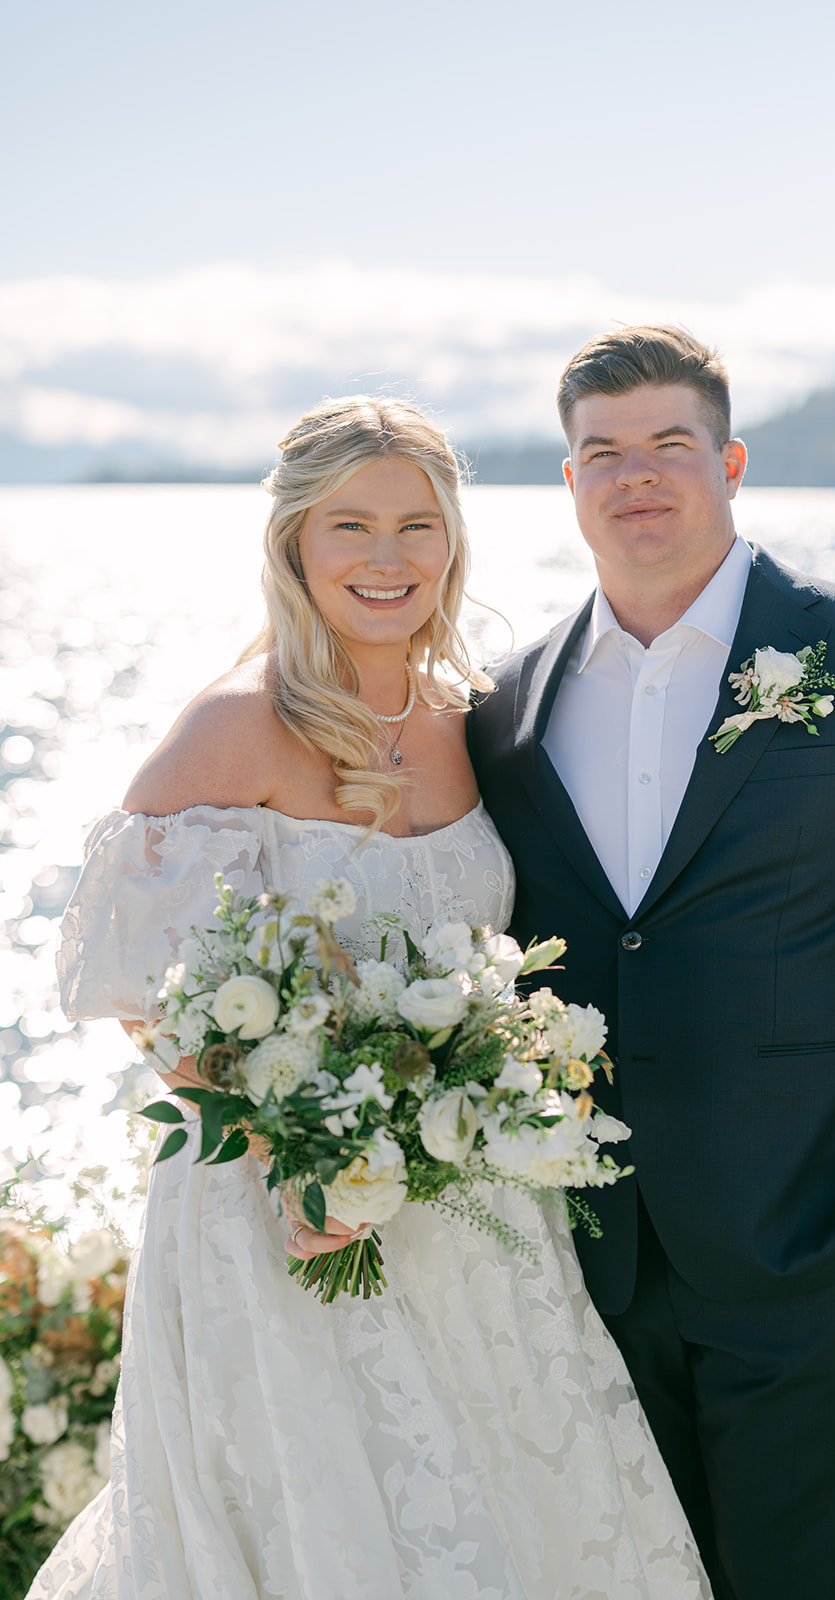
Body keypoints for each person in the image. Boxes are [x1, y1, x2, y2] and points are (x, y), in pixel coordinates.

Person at [30, 396, 711, 1600]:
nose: (388, 559)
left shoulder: (477, 717)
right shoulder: (239, 724)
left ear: (454, 541)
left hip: (471, 1210)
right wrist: (307, 1156)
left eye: (417, 525)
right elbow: (140, 986)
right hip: (279, 1215)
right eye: (352, 525)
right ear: (296, 542)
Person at [467, 325, 835, 1600]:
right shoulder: (507, 709)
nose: (638, 475)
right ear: (569, 485)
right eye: (601, 451)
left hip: (812, 1236)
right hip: (589, 1252)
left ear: (728, 460)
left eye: (670, 442)